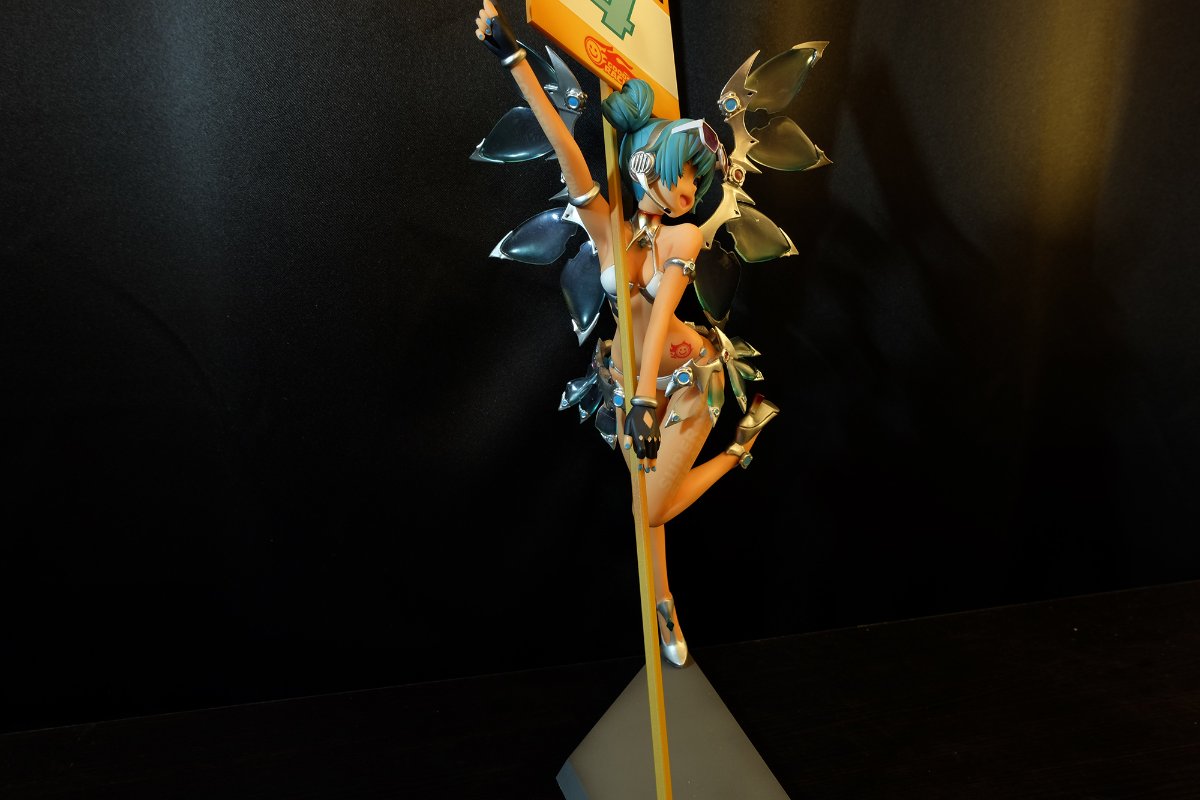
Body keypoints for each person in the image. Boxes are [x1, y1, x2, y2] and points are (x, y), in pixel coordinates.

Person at [473, 0, 778, 666]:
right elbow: (566, 152)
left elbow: (664, 312)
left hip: (686, 381)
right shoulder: (612, 228)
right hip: (626, 377)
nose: (688, 189)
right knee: (647, 500)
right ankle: (664, 601)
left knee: (648, 510)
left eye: (695, 179)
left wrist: (644, 400)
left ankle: (738, 448)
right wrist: (513, 58)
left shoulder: (682, 236)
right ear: (647, 165)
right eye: (681, 172)